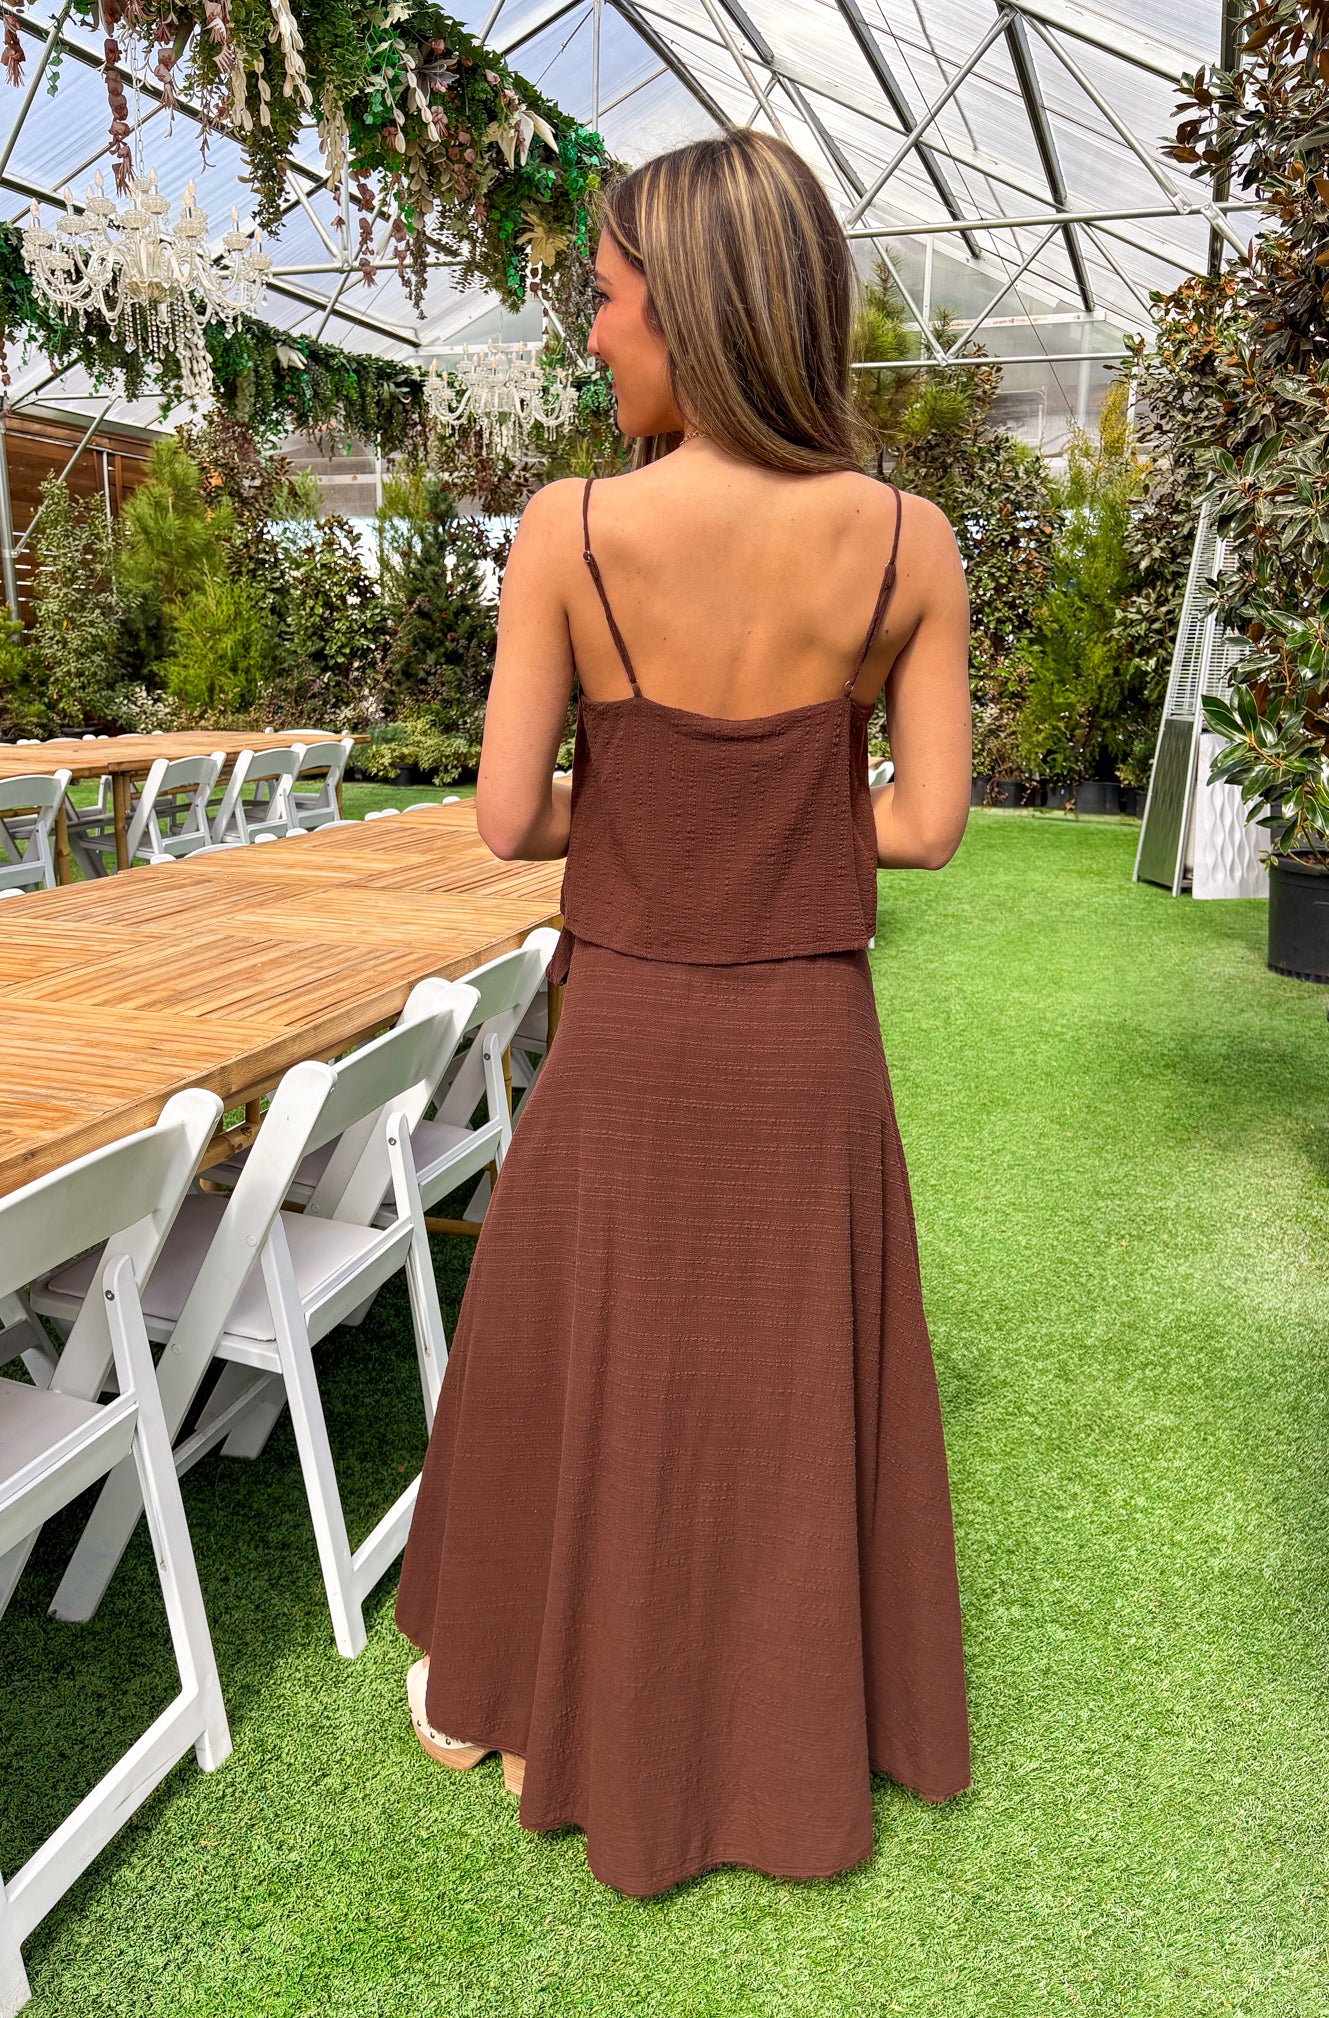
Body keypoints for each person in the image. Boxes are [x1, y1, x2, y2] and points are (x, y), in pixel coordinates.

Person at [396, 129, 973, 1899]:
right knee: (777, 1381)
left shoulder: (570, 530)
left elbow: (509, 818)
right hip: (805, 1046)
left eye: (604, 299)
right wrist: (770, 818)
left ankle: (526, 1700)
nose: (590, 335)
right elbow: (924, 827)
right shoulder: (910, 543)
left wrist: (648, 808)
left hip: (632, 1035)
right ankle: (785, 1726)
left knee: (594, 1361)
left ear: (693, 310)